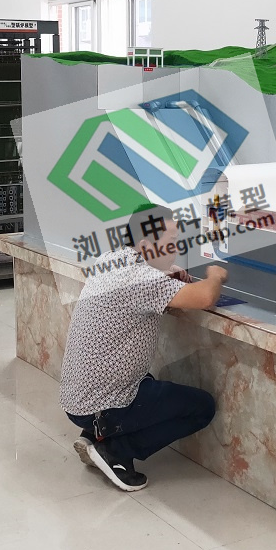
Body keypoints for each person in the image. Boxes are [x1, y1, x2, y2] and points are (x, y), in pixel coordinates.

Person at [60, 205, 228, 492]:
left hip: (77, 398)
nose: (176, 250)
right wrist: (215, 275)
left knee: (147, 382)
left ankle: (94, 435)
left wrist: (170, 272)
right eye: (171, 242)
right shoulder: (142, 279)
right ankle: (115, 450)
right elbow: (204, 297)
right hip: (102, 404)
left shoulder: (111, 260)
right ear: (146, 246)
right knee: (202, 407)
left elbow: (148, 280)